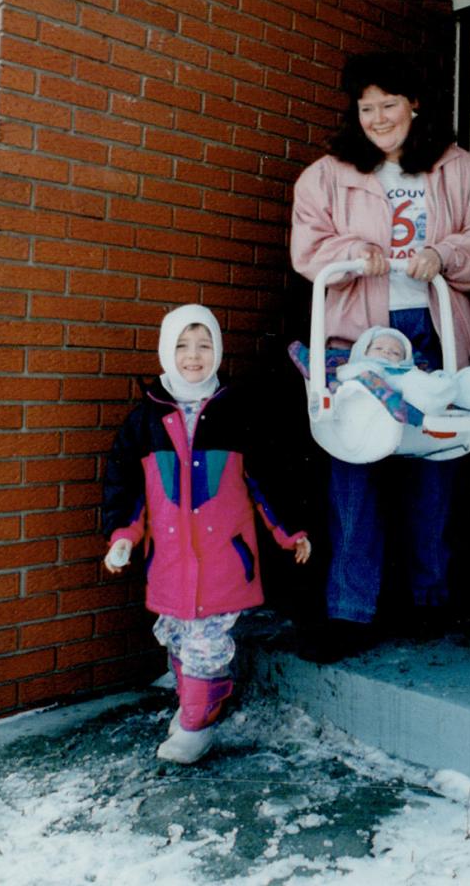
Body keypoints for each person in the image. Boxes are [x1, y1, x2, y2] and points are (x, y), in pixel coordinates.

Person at [291, 52, 470, 662]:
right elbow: (310, 251)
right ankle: (351, 611)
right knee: (355, 466)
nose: (378, 118)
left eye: (389, 104)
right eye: (366, 107)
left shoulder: (460, 170)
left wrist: (445, 254)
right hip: (358, 334)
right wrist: (357, 246)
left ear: (416, 105)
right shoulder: (327, 175)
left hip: (431, 332)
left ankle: (427, 600)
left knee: (432, 463)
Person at [101, 304, 312, 763]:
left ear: (216, 351)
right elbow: (128, 489)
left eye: (203, 344)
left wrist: (288, 531)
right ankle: (201, 701)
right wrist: (123, 536)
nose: (192, 355)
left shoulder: (238, 413)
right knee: (180, 640)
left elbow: (267, 481)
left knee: (204, 646)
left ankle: (197, 726)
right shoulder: (145, 420)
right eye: (181, 345)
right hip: (170, 566)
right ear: (165, 350)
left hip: (222, 565)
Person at [335, 325, 470, 415]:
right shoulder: (359, 367)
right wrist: (366, 369)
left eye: (396, 352)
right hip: (398, 390)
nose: (386, 352)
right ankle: (442, 395)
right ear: (362, 351)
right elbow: (344, 374)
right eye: (378, 348)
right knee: (415, 383)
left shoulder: (408, 370)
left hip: (418, 381)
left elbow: (417, 375)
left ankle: (466, 388)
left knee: (436, 378)